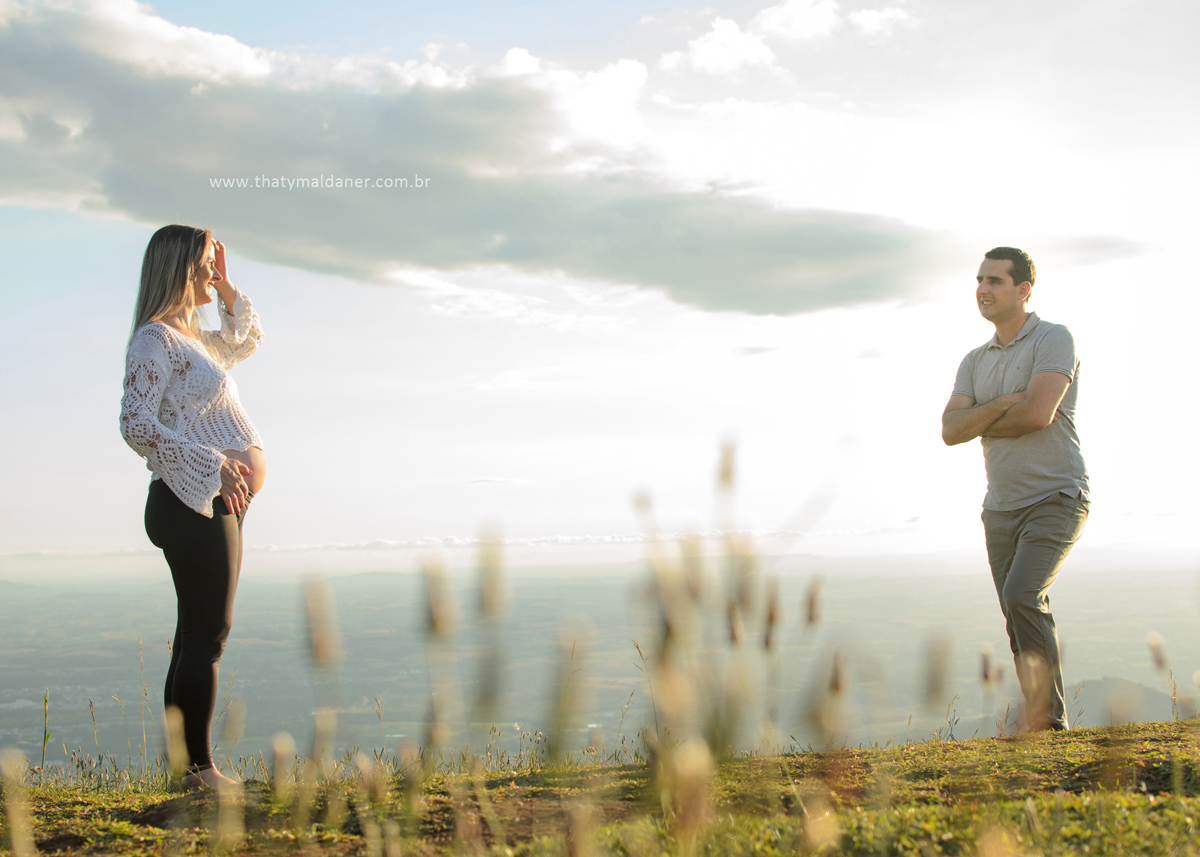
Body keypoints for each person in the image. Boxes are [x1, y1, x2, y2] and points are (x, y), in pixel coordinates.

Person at [120, 224, 266, 788]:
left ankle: (187, 770)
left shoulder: (193, 338)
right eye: (206, 263)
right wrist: (214, 463)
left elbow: (244, 340)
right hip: (192, 499)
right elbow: (135, 422)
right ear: (179, 266)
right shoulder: (154, 339)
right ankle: (198, 772)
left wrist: (228, 289)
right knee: (208, 636)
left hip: (215, 500)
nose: (213, 271)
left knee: (194, 636)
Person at [941, 247, 1089, 731]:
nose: (983, 289)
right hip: (1000, 506)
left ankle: (1048, 725)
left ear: (1024, 290)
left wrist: (981, 419)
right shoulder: (973, 359)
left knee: (1025, 595)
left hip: (1056, 496)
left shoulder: (1053, 339)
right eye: (980, 280)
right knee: (1014, 609)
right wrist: (1003, 404)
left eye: (995, 281)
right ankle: (1038, 720)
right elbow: (949, 430)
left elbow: (1036, 415)